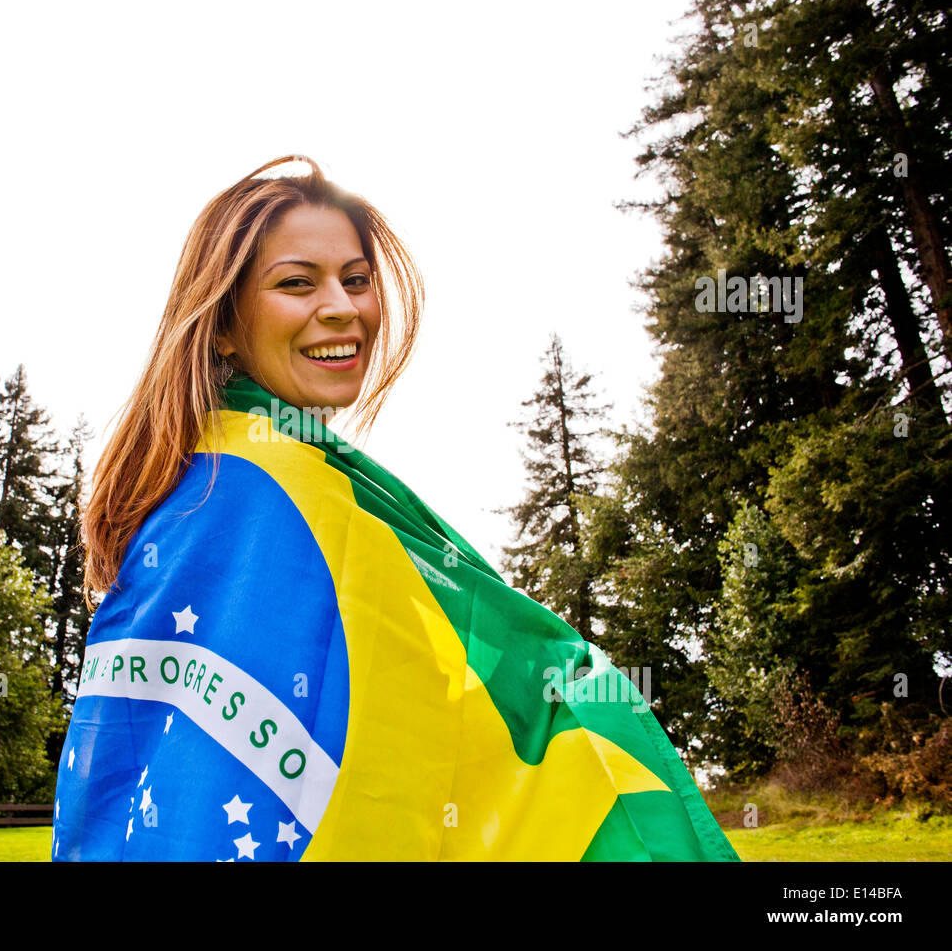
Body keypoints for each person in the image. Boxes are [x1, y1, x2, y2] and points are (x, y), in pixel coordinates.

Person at [51, 154, 739, 861]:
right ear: (223, 324)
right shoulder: (263, 486)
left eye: (356, 280)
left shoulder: (213, 471)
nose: (344, 307)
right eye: (297, 283)